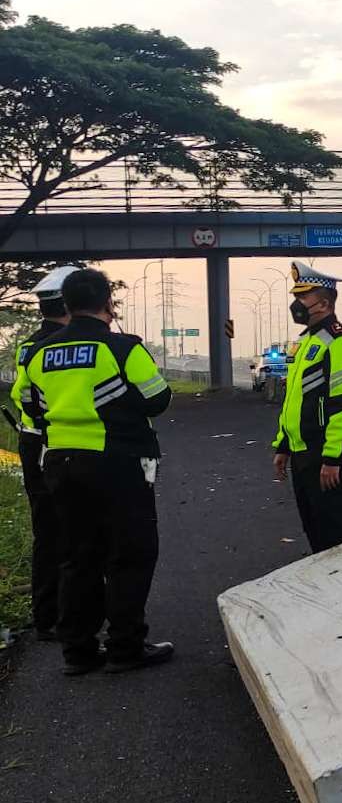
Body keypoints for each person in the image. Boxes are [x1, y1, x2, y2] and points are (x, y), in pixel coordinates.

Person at [20, 268, 173, 675]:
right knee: (130, 553)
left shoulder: (38, 353)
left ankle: (79, 651)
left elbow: (30, 406)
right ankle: (125, 647)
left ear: (66, 305)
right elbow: (158, 400)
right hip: (118, 463)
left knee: (76, 556)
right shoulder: (122, 348)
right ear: (108, 301)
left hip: (60, 465)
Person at [273, 260, 342, 552]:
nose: (296, 304)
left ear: (323, 304)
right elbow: (294, 400)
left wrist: (332, 457)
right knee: (313, 527)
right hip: (301, 452)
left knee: (336, 531)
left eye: (303, 297)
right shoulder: (304, 343)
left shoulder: (341, 342)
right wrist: (283, 445)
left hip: (324, 453)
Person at [9, 265, 76, 641]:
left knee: (45, 531)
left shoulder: (29, 345)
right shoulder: (67, 346)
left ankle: (46, 615)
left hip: (31, 443)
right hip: (61, 445)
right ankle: (71, 613)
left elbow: (22, 395)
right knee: (76, 530)